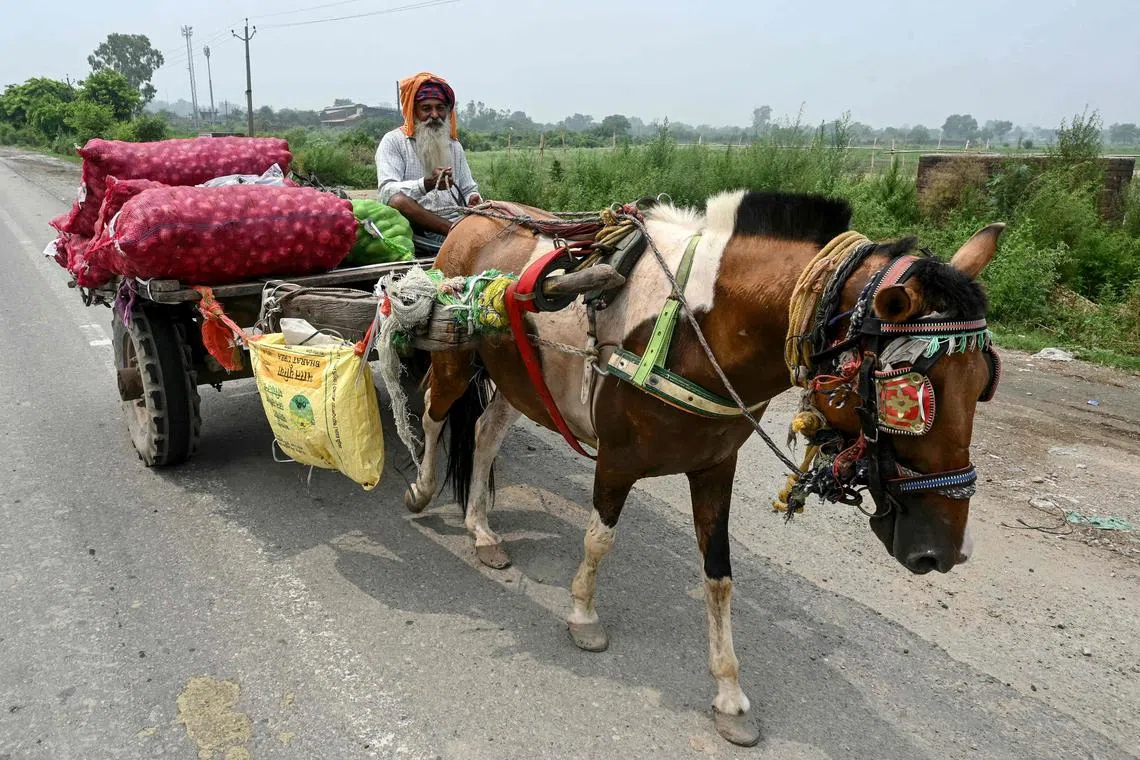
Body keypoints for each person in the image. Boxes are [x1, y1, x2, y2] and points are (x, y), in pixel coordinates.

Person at [376, 72, 482, 255]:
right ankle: (456, 234)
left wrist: (473, 197)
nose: (435, 115)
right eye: (426, 108)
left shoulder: (454, 146)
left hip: (456, 218)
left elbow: (468, 188)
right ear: (413, 111)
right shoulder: (393, 141)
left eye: (440, 108)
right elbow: (387, 192)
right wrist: (425, 184)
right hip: (417, 228)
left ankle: (459, 234)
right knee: (398, 200)